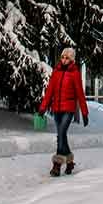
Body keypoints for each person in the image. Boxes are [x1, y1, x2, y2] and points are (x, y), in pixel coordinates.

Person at [38, 47, 89, 177]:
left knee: (61, 133)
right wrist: (43, 108)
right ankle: (70, 162)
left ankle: (57, 165)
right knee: (62, 135)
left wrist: (84, 113)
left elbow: (80, 94)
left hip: (68, 109)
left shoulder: (75, 73)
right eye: (62, 57)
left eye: (67, 58)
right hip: (57, 109)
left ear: (71, 60)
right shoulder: (56, 71)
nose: (64, 60)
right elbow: (50, 91)